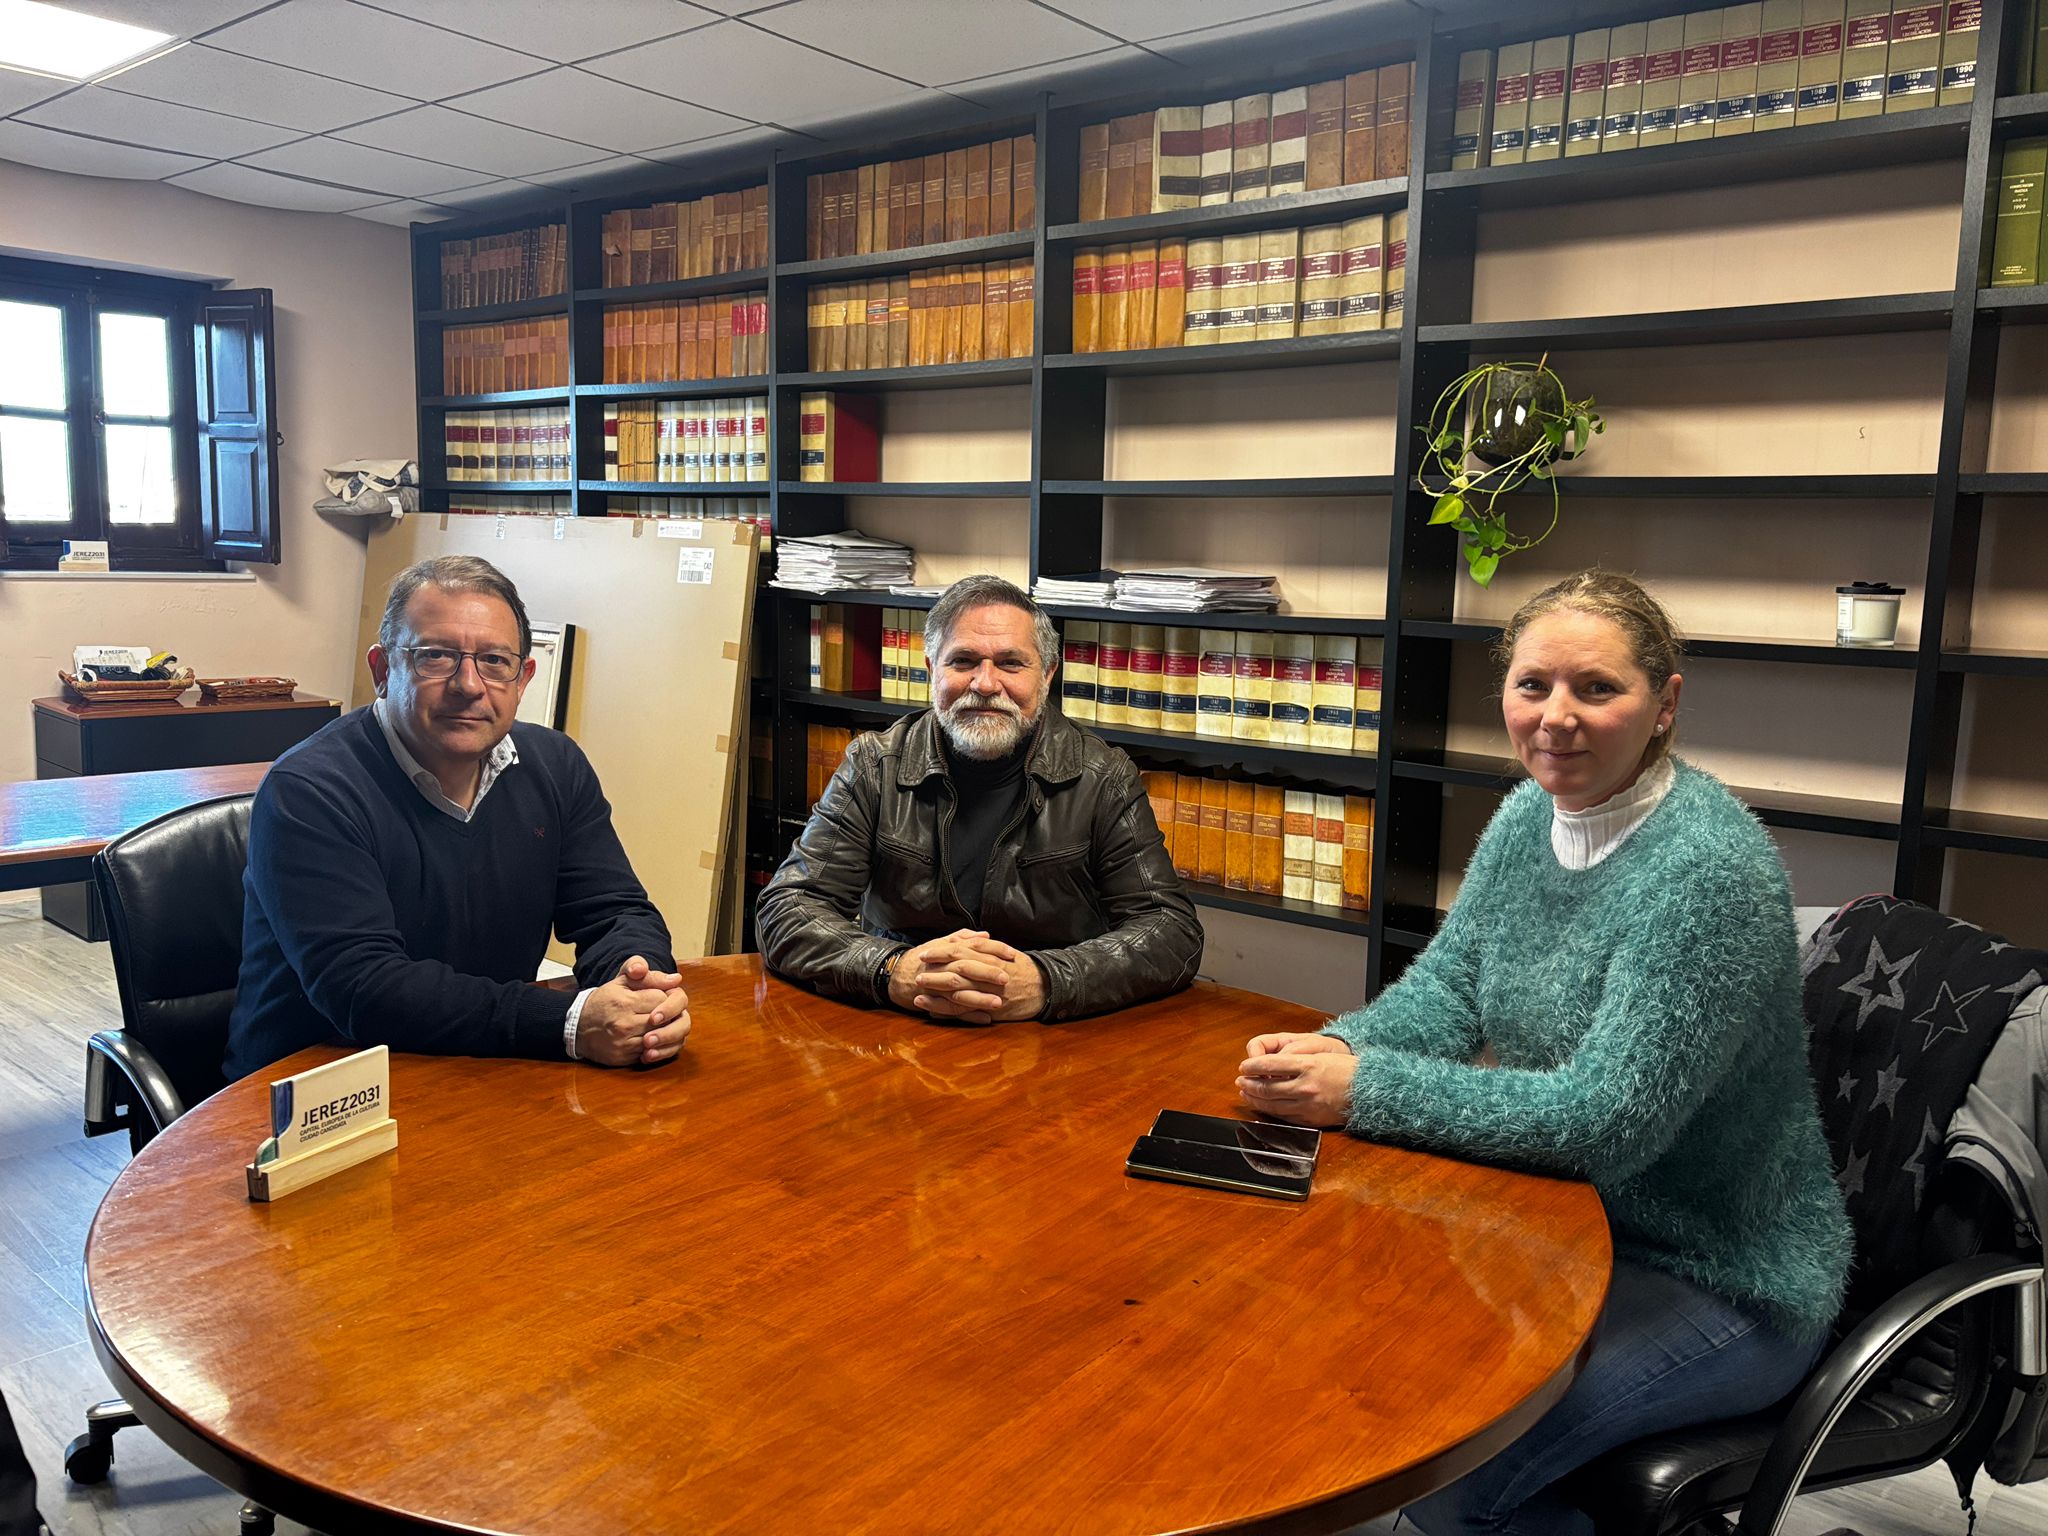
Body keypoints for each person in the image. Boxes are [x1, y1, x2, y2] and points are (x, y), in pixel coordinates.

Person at [1234, 571, 1851, 1536]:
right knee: (1366, 1381)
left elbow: (1603, 1123)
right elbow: (1449, 992)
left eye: (1596, 689)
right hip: (1564, 1227)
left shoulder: (1708, 873)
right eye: (1532, 686)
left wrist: (1364, 1088)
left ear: (1665, 705)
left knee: (1451, 1475)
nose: (1556, 719)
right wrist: (1330, 1049)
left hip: (1719, 1272)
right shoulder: (1527, 817)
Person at [225, 556, 690, 1079]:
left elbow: (614, 910)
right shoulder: (310, 792)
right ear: (382, 671)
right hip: (320, 1095)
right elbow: (364, 988)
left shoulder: (555, 766)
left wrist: (644, 991)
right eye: (437, 656)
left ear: (523, 678)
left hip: (485, 1069)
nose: (469, 684)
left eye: (494, 661)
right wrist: (569, 1022)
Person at [757, 573, 1202, 1022]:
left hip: (1051, 1038)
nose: (985, 684)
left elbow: (1171, 930)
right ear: (932, 670)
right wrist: (893, 969)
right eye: (964, 661)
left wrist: (1047, 980)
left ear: (1046, 675)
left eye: (1011, 663)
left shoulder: (1103, 778)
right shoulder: (875, 766)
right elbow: (787, 910)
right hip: (900, 1026)